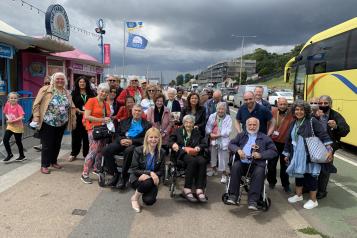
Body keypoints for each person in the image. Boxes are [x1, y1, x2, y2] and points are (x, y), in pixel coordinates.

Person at [283, 100, 333, 209]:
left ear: (306, 111)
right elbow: (288, 139)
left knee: (310, 176)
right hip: (296, 153)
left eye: (301, 109)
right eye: (297, 109)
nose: (299, 112)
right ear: (293, 111)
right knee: (298, 175)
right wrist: (286, 153)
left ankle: (313, 200)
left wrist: (329, 150)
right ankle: (299, 195)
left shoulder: (312, 121)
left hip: (309, 154)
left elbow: (323, 135)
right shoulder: (293, 122)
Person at [225, 117, 278, 210]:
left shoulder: (264, 137)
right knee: (236, 166)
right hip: (242, 162)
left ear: (258, 126)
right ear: (246, 126)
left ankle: (253, 201)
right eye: (250, 125)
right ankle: (233, 196)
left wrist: (261, 155)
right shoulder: (241, 135)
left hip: (256, 164)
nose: (252, 127)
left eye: (254, 125)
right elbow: (231, 144)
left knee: (259, 171)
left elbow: (273, 151)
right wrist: (238, 150)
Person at [32, 72, 76, 174]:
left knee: (57, 143)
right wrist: (36, 116)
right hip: (48, 121)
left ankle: (53, 161)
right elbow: (36, 104)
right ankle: (44, 165)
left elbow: (72, 106)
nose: (60, 81)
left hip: (62, 122)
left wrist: (74, 117)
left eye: (62, 79)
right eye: (58, 79)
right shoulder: (45, 89)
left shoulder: (67, 92)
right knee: (47, 144)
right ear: (53, 80)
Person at [102, 104, 151, 189]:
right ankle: (115, 173)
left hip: (135, 143)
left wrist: (132, 141)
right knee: (106, 150)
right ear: (132, 111)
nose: (137, 112)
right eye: (135, 110)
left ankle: (123, 176)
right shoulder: (124, 121)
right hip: (123, 140)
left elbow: (146, 139)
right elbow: (117, 134)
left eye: (139, 111)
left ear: (142, 112)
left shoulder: (147, 124)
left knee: (129, 151)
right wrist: (121, 140)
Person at [316, 95, 350, 199]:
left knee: (325, 169)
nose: (323, 105)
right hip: (314, 144)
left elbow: (345, 130)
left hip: (328, 146)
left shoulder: (335, 115)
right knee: (311, 167)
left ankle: (322, 191)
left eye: (325, 103)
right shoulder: (314, 113)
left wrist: (336, 127)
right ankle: (309, 187)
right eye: (320, 103)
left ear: (330, 104)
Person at [169, 115, 208, 203]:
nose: (188, 124)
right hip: (181, 154)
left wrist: (198, 147)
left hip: (194, 153)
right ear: (183, 123)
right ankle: (187, 188)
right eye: (186, 122)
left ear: (193, 124)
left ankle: (199, 188)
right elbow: (170, 140)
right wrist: (173, 144)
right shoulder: (178, 131)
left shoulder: (196, 132)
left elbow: (203, 143)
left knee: (202, 161)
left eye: (190, 122)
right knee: (192, 161)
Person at [80, 83, 111, 184]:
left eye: (106, 92)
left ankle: (96, 168)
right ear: (98, 91)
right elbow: (87, 116)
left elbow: (109, 116)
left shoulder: (106, 104)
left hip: (103, 130)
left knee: (100, 151)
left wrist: (107, 119)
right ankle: (84, 173)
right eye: (102, 91)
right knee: (93, 151)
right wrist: (102, 119)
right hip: (93, 129)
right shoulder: (91, 101)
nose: (104, 93)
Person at [130, 128, 165, 213]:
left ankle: (143, 190)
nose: (153, 139)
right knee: (149, 181)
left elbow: (161, 171)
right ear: (146, 138)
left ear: (159, 139)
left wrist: (151, 175)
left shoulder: (162, 152)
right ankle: (135, 198)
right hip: (138, 178)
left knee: (149, 201)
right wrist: (150, 173)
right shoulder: (138, 150)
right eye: (151, 137)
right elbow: (134, 169)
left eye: (156, 137)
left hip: (152, 180)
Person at [267, 97, 294, 192]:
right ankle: (271, 182)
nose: (282, 106)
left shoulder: (292, 113)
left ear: (288, 105)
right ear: (277, 104)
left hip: (286, 144)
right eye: (280, 104)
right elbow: (267, 124)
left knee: (285, 166)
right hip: (273, 143)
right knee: (271, 165)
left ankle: (285, 184)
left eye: (284, 104)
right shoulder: (272, 112)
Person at [68, 76, 95, 162]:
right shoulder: (74, 93)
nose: (82, 83)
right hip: (77, 118)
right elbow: (71, 105)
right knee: (76, 136)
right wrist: (78, 110)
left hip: (89, 119)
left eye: (84, 82)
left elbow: (95, 104)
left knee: (87, 137)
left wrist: (87, 112)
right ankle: (74, 153)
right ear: (77, 83)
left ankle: (86, 154)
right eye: (80, 82)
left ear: (87, 83)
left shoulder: (92, 93)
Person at [205, 102, 232, 183]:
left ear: (225, 110)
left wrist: (218, 135)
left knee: (223, 158)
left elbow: (228, 130)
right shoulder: (212, 116)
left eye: (222, 109)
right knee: (213, 155)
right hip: (213, 139)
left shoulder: (228, 118)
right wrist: (210, 133)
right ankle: (214, 170)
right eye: (219, 109)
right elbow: (208, 126)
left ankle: (224, 174)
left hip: (222, 140)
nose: (220, 111)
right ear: (216, 109)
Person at [2, 92, 26, 163]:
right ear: (8, 99)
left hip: (18, 126)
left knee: (18, 142)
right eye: (11, 98)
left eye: (15, 98)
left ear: (18, 99)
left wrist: (13, 120)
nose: (13, 99)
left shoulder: (19, 107)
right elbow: (5, 113)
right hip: (10, 126)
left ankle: (22, 156)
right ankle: (10, 154)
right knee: (5, 139)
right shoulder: (7, 104)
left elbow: (22, 116)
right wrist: (8, 119)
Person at [33, 76, 51, 152]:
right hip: (42, 114)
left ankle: (45, 145)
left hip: (50, 115)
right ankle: (42, 145)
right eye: (45, 83)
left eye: (48, 83)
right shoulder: (42, 90)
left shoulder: (53, 90)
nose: (47, 84)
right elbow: (37, 102)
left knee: (47, 132)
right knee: (41, 130)